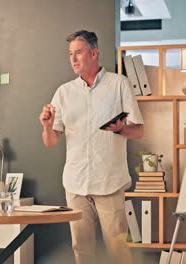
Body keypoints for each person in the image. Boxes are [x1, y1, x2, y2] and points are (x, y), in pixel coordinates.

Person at [39, 30, 144, 264]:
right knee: (81, 250)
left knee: (118, 251)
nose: (73, 59)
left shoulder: (119, 84)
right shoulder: (64, 93)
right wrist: (47, 127)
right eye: (70, 54)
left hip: (110, 182)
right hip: (76, 184)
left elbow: (138, 130)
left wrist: (120, 129)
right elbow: (51, 141)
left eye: (79, 52)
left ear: (94, 53)